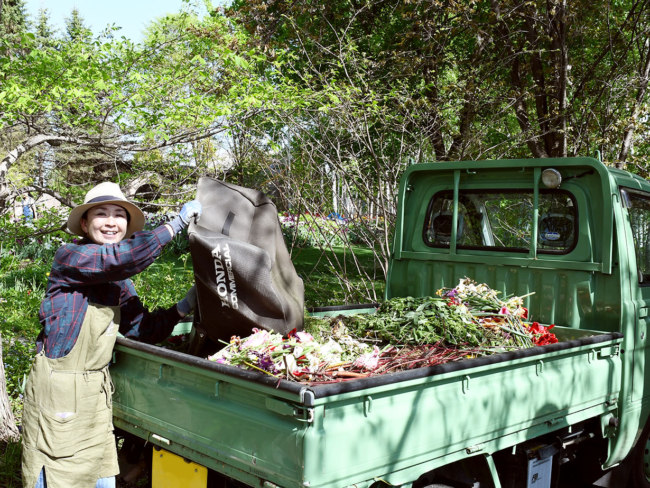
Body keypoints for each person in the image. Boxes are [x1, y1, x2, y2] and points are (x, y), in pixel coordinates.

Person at [20, 182, 202, 488]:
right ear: (84, 223)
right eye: (101, 214)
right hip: (60, 393)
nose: (110, 221)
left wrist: (184, 306)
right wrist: (176, 225)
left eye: (119, 215)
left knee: (102, 478)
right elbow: (118, 259)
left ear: (126, 225)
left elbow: (141, 330)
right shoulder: (72, 257)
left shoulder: (119, 285)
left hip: (95, 399)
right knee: (57, 476)